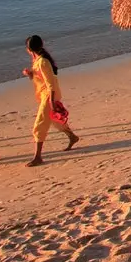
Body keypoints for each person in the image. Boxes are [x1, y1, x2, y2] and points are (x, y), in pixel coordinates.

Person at [22, 35, 79, 166]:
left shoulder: (42, 62)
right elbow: (41, 79)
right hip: (45, 94)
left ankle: (38, 157)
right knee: (55, 120)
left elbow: (50, 83)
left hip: (49, 95)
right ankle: (72, 137)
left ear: (29, 49)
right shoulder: (38, 61)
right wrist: (30, 74)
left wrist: (52, 102)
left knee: (40, 124)